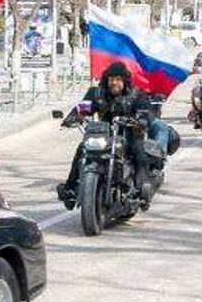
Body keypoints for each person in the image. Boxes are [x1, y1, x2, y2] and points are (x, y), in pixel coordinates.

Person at [56, 61, 156, 210]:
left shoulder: (136, 94)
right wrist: (73, 116)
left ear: (124, 80)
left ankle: (142, 188)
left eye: (117, 79)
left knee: (137, 149)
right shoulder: (97, 93)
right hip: (104, 134)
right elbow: (83, 107)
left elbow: (145, 112)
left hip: (129, 132)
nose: (114, 83)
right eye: (111, 79)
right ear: (106, 80)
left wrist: (141, 120)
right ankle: (71, 188)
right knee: (82, 149)